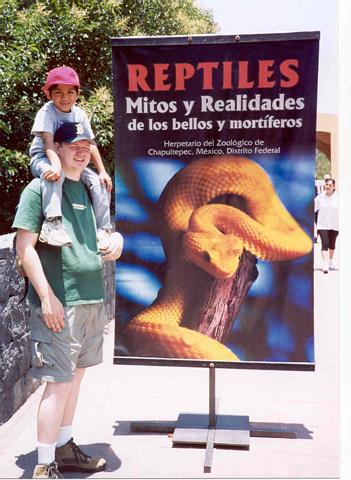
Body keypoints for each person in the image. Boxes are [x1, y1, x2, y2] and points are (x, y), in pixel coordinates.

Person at [13, 122, 123, 479]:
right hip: (61, 302)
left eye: (86, 144)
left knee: (74, 380)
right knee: (58, 384)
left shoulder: (91, 190)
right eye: (73, 144)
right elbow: (24, 249)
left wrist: (114, 243)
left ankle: (64, 448)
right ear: (55, 148)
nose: (81, 150)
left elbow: (96, 238)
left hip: (92, 299)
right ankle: (44, 467)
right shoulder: (39, 189)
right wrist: (46, 298)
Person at [29, 66, 112, 250]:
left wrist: (102, 171)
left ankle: (103, 229)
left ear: (77, 94)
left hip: (66, 159)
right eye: (58, 92)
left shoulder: (79, 114)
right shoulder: (46, 112)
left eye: (70, 92)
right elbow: (49, 144)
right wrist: (56, 166)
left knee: (99, 182)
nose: (64, 97)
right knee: (54, 175)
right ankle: (52, 223)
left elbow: (90, 144)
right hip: (43, 156)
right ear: (48, 94)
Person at [314, 177, 339, 273]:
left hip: (334, 225)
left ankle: (331, 261)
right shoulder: (319, 198)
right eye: (326, 184)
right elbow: (313, 210)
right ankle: (325, 263)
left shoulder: (338, 197)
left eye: (330, 185)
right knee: (325, 244)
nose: (327, 186)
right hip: (322, 224)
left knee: (332, 244)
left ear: (334, 186)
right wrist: (314, 225)